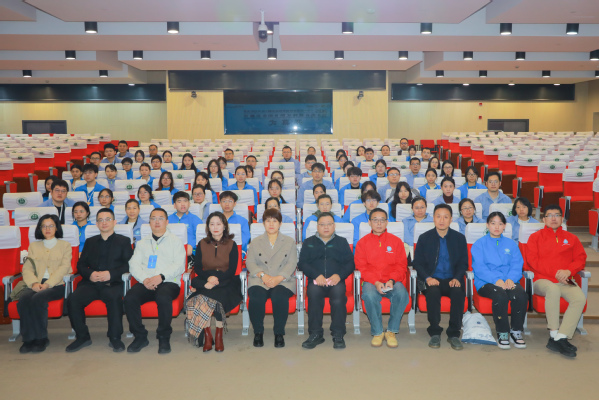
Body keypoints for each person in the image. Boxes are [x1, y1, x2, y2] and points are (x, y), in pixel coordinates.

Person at [66, 208, 134, 353]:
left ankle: (115, 337)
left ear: (114, 222)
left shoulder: (123, 241)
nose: (104, 223)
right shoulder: (90, 242)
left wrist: (111, 274)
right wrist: (90, 274)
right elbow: (81, 265)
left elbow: (129, 264)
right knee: (73, 299)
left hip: (113, 282)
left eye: (108, 219)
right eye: (100, 220)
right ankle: (82, 337)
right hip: (91, 282)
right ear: (96, 224)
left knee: (114, 298)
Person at [527, 204, 587, 358]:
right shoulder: (535, 237)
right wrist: (555, 273)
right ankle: (553, 333)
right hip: (542, 280)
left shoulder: (571, 238)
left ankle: (561, 337)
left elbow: (580, 258)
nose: (553, 218)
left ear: (562, 218)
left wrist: (569, 271)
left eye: (557, 215)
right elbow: (533, 261)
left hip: (565, 280)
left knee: (579, 298)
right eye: (550, 215)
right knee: (552, 289)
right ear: (544, 219)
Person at [124, 208, 185, 354]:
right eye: (153, 218)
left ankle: (163, 337)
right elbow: (134, 264)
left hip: (168, 282)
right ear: (149, 222)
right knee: (130, 298)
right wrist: (145, 279)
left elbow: (179, 265)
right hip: (146, 281)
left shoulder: (176, 241)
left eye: (160, 218)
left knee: (163, 297)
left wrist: (161, 277)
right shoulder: (142, 243)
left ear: (167, 221)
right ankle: (140, 336)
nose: (157, 222)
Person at [413, 204, 468, 350]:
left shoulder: (459, 238)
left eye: (445, 217)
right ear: (433, 218)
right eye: (438, 216)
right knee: (433, 293)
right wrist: (427, 278)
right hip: (432, 279)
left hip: (452, 279)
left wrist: (457, 277)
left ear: (451, 219)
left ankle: (454, 333)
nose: (442, 220)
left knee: (458, 293)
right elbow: (417, 263)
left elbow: (463, 263)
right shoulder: (424, 238)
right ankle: (435, 332)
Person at [471, 212, 527, 349]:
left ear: (504, 226)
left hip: (509, 280)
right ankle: (502, 332)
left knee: (520, 294)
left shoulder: (511, 244)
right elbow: (479, 268)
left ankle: (516, 331)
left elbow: (517, 264)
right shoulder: (479, 244)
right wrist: (496, 280)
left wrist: (510, 279)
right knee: (500, 295)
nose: (496, 227)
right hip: (486, 282)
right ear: (487, 225)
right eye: (493, 223)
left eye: (500, 224)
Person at [355, 208, 410, 348]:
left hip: (392, 280)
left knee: (402, 293)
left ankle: (391, 331)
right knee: (369, 294)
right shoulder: (362, 243)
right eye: (375, 220)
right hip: (371, 281)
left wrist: (392, 280)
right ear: (369, 222)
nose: (379, 223)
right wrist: (376, 282)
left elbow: (401, 266)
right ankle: (378, 332)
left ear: (387, 222)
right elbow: (361, 267)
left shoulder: (396, 241)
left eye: (382, 220)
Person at [299, 212, 355, 349]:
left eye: (329, 224)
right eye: (322, 224)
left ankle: (338, 334)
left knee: (338, 298)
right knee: (313, 294)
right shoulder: (309, 242)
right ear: (317, 227)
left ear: (334, 226)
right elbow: (302, 263)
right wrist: (316, 275)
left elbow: (350, 264)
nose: (326, 227)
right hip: (316, 281)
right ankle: (316, 334)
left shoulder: (342, 242)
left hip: (336, 281)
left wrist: (339, 275)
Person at [17, 215, 72, 354]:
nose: (47, 229)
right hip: (36, 283)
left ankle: (41, 338)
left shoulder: (65, 245)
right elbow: (27, 268)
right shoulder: (34, 246)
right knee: (23, 299)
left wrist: (48, 284)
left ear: (56, 228)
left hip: (57, 285)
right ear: (40, 229)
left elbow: (64, 268)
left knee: (38, 298)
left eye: (51, 225)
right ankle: (28, 339)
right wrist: (33, 283)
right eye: (44, 226)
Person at [189, 212, 242, 352]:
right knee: (203, 298)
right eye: (212, 224)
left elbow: (232, 270)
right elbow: (198, 267)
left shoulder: (232, 244)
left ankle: (219, 336)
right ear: (208, 227)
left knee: (216, 299)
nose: (215, 227)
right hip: (206, 278)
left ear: (224, 226)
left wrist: (215, 281)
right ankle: (208, 336)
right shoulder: (202, 243)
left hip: (226, 280)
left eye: (218, 224)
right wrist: (208, 279)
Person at [246, 208, 298, 348]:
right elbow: (250, 262)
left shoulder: (289, 242)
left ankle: (279, 333)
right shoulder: (255, 242)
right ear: (263, 223)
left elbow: (292, 263)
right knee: (256, 297)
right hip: (260, 278)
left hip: (282, 280)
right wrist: (263, 275)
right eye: (268, 221)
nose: (271, 224)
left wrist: (278, 278)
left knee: (279, 296)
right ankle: (258, 332)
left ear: (280, 223)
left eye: (274, 221)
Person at [168, 191, 202, 256]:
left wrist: (191, 245)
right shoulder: (168, 220)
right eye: (179, 201)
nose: (183, 204)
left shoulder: (195, 219)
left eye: (185, 201)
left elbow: (200, 237)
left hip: (190, 252)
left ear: (189, 204)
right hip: (170, 251)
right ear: (174, 205)